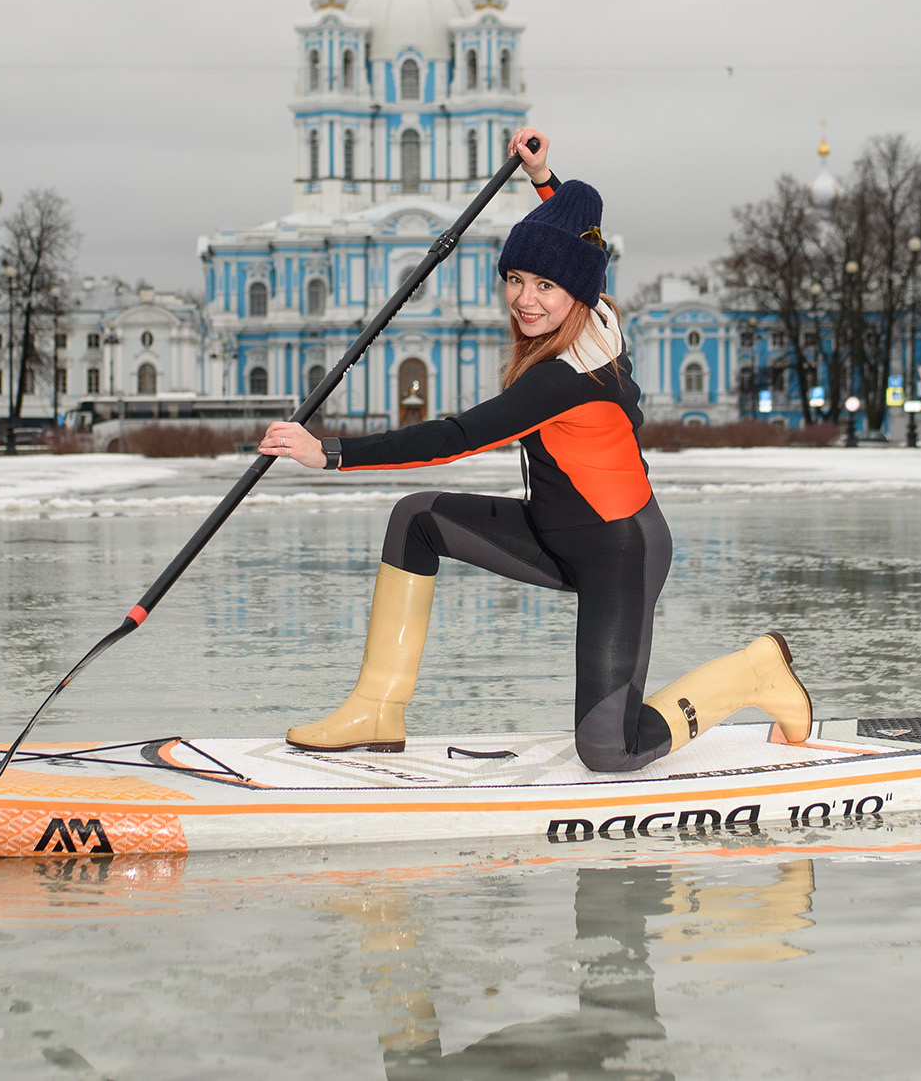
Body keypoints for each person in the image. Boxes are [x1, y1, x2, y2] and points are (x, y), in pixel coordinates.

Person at [259, 128, 810, 772]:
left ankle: (754, 674)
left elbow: (454, 438)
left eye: (545, 287)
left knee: (609, 750)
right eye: (516, 279)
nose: (525, 299)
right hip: (552, 531)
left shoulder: (564, 378)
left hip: (618, 552)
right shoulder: (600, 312)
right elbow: (585, 236)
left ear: (574, 292)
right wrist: (544, 179)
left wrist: (329, 453)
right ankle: (377, 708)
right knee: (418, 520)